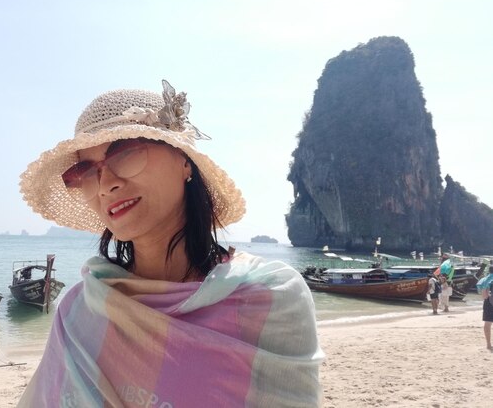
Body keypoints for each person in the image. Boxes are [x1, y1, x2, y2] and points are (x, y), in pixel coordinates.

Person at [17, 80, 323, 407]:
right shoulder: (80, 311)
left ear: (184, 161)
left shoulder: (270, 300)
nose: (105, 185)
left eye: (125, 153)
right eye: (85, 171)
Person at [476, 265, 493, 350]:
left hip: (488, 303)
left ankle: (489, 344)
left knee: (487, 324)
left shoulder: (484, 280)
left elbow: (484, 296)